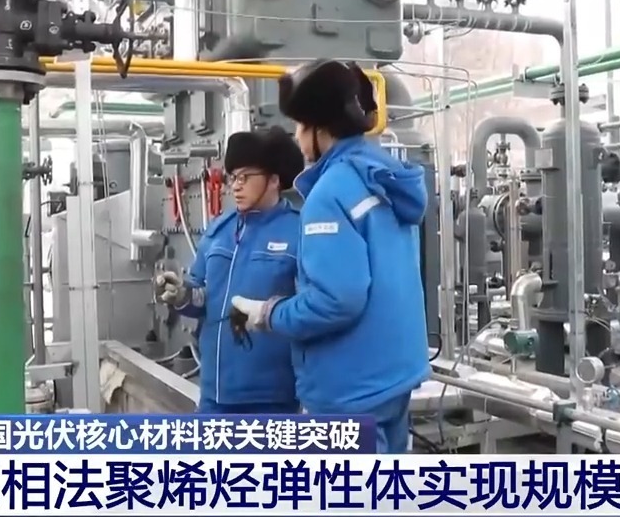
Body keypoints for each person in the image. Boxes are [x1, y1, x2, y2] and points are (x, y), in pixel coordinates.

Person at [229, 59, 430, 453]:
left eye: (300, 126)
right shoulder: (383, 177)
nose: (297, 137)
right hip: (394, 380)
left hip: (348, 390)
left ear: (319, 130)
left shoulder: (330, 193)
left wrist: (267, 313)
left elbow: (336, 301)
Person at [154, 126, 306, 415]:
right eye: (232, 177)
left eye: (245, 177)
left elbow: (312, 309)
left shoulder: (299, 231)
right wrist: (181, 294)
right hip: (214, 394)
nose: (235, 185)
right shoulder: (219, 230)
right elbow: (201, 294)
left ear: (274, 180)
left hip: (272, 398)